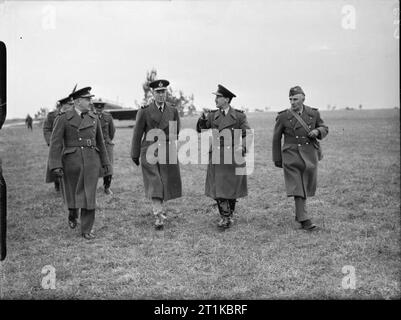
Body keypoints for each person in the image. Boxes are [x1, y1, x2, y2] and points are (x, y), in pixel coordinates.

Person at [48, 87, 111, 240]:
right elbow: (55, 143)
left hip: (91, 161)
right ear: (77, 101)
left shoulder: (94, 117)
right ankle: (72, 212)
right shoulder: (63, 118)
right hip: (71, 162)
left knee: (89, 195)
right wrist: (55, 164)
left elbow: (101, 143)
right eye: (87, 99)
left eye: (90, 99)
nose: (91, 102)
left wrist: (106, 165)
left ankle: (86, 229)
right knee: (73, 193)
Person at [272, 86, 328, 231]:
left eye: (295, 99)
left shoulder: (313, 113)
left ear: (303, 98)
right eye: (290, 99)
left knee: (306, 185)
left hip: (309, 155)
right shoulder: (283, 116)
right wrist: (277, 158)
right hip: (291, 155)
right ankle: (304, 219)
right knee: (298, 186)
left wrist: (317, 131)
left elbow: (324, 127)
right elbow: (276, 138)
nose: (292, 102)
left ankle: (300, 215)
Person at [196, 84, 253, 229]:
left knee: (231, 187)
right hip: (217, 156)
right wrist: (201, 119)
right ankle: (225, 217)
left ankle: (229, 213)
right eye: (216, 97)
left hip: (234, 156)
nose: (215, 99)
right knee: (219, 188)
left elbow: (248, 134)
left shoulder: (239, 116)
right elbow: (201, 129)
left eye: (218, 97)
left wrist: (243, 147)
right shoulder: (212, 115)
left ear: (226, 99)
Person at [130, 79, 182, 230]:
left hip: (166, 149)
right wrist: (135, 154)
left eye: (163, 91)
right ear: (152, 93)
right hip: (149, 150)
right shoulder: (144, 111)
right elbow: (137, 133)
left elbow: (175, 131)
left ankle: (160, 210)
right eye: (158, 92)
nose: (161, 95)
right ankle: (158, 214)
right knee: (155, 182)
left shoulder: (172, 110)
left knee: (164, 181)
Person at [43, 96, 74, 192]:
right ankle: (57, 184)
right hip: (56, 144)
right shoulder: (52, 115)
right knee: (56, 164)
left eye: (72, 104)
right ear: (62, 105)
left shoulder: (73, 114)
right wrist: (50, 142)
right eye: (69, 104)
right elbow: (47, 128)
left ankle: (69, 184)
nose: (71, 106)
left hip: (68, 144)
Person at [93, 100, 116, 195]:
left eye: (101, 108)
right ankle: (91, 187)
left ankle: (107, 187)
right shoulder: (89, 116)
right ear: (94, 108)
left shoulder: (108, 117)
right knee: (93, 166)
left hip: (106, 144)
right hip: (94, 145)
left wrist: (107, 140)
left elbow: (112, 131)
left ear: (103, 108)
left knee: (108, 166)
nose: (99, 110)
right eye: (97, 108)